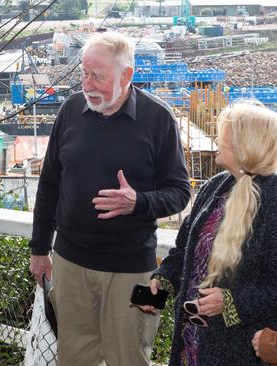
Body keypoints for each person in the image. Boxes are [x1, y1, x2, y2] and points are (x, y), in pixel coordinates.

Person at [28, 31, 191, 366]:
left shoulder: (159, 118)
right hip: (70, 263)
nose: (87, 85)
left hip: (133, 268)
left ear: (127, 75)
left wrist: (139, 202)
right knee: (72, 358)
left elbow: (180, 192)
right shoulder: (71, 110)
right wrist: (39, 248)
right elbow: (49, 184)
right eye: (84, 74)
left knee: (131, 357)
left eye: (97, 77)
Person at [143, 101, 277, 365]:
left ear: (242, 145)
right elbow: (184, 249)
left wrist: (232, 301)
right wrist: (162, 282)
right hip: (191, 343)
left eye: (223, 136)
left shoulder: (273, 199)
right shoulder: (215, 187)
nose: (216, 139)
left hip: (241, 350)